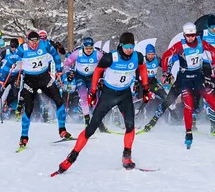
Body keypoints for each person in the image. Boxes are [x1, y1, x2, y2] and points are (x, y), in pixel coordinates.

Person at [53, 32, 152, 174]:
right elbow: (98, 71)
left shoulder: (138, 56)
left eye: (132, 46)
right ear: (121, 45)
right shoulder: (111, 57)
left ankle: (126, 157)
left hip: (124, 94)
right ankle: (71, 157)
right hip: (109, 94)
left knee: (130, 126)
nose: (129, 49)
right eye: (127, 46)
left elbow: (142, 68)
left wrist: (146, 87)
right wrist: (93, 91)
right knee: (91, 128)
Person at [160, 23, 215, 148]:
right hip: (185, 78)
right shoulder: (180, 46)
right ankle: (188, 133)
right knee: (188, 105)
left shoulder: (200, 43)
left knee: (213, 101)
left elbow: (213, 50)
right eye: (188, 36)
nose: (191, 38)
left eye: (192, 35)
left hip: (198, 77)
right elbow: (166, 55)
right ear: (184, 35)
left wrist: (214, 64)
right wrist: (165, 72)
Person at [15, 30, 72, 151]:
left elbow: (57, 55)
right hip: (30, 81)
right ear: (28, 41)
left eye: (37, 41)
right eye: (32, 42)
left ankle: (62, 130)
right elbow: (11, 60)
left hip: (45, 78)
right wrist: (3, 77)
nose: (35, 44)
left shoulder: (45, 44)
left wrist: (58, 69)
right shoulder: (23, 48)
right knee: (29, 108)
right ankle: (24, 137)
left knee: (59, 100)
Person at [64, 37, 104, 126]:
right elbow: (66, 64)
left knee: (93, 97)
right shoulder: (77, 53)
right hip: (80, 76)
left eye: (91, 48)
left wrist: (102, 77)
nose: (89, 50)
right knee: (83, 95)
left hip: (92, 77)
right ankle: (86, 117)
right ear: (83, 47)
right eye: (87, 48)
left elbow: (106, 65)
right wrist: (68, 73)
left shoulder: (98, 54)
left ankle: (97, 119)